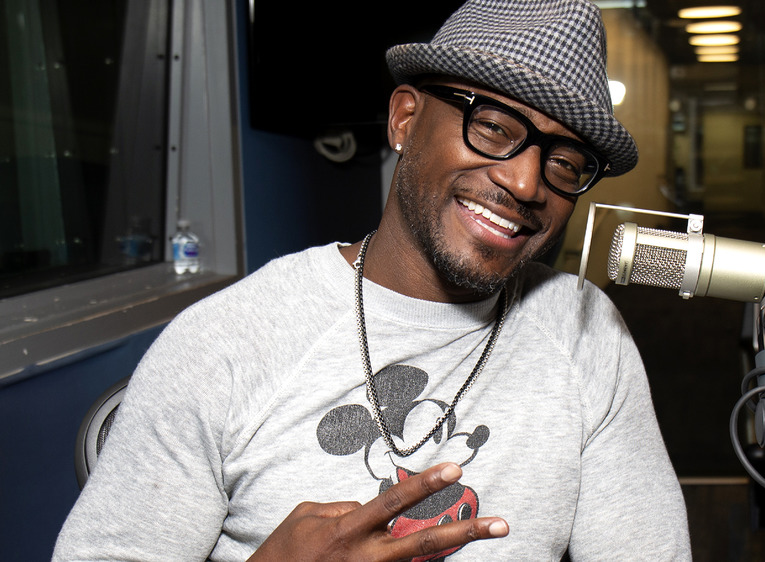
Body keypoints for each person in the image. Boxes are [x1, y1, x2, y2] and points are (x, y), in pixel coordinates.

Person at [53, 0, 692, 560]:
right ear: (406, 120)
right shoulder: (226, 343)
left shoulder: (583, 333)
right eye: (493, 127)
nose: (525, 184)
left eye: (565, 161)